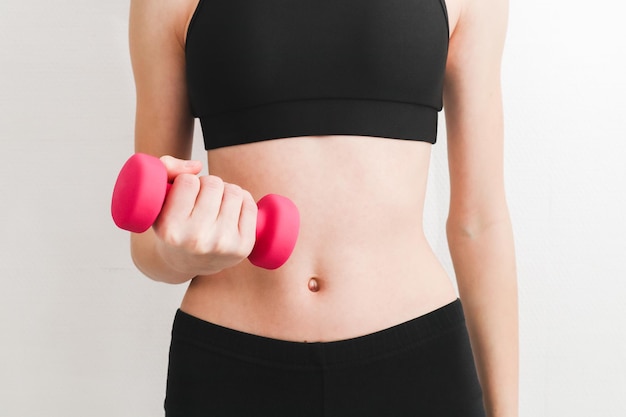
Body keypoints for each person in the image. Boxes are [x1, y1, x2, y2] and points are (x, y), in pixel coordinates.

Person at [127, 0, 518, 415]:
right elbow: (147, 240)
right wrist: (179, 253)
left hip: (416, 365)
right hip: (231, 367)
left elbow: (480, 222)